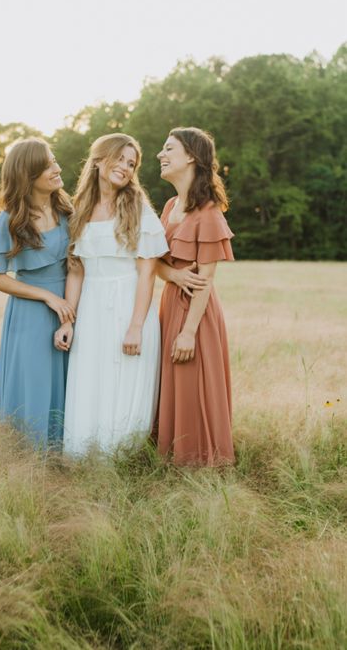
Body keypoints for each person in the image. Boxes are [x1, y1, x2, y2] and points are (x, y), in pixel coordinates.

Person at [54, 133, 168, 454]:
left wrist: (135, 325)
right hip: (90, 305)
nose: (126, 167)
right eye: (120, 159)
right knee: (91, 377)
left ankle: (122, 456)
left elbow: (147, 273)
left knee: (125, 378)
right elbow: (76, 271)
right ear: (100, 159)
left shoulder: (138, 207)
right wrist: (68, 321)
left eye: (131, 164)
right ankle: (85, 453)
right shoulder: (79, 208)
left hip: (129, 302)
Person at [0, 137, 74, 448]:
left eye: (54, 160)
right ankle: (28, 455)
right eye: (48, 165)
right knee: (33, 379)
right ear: (28, 174)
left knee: (68, 378)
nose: (57, 168)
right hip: (30, 313)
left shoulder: (67, 210)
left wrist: (66, 302)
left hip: (70, 305)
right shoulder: (10, 219)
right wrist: (47, 296)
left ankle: (64, 450)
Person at [155, 127, 235, 466]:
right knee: (171, 380)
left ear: (190, 156)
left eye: (168, 148)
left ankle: (202, 459)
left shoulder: (209, 212)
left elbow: (205, 281)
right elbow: (156, 263)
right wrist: (172, 274)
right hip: (169, 303)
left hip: (196, 315)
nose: (161, 154)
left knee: (195, 380)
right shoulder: (171, 205)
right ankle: (172, 451)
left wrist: (189, 331)